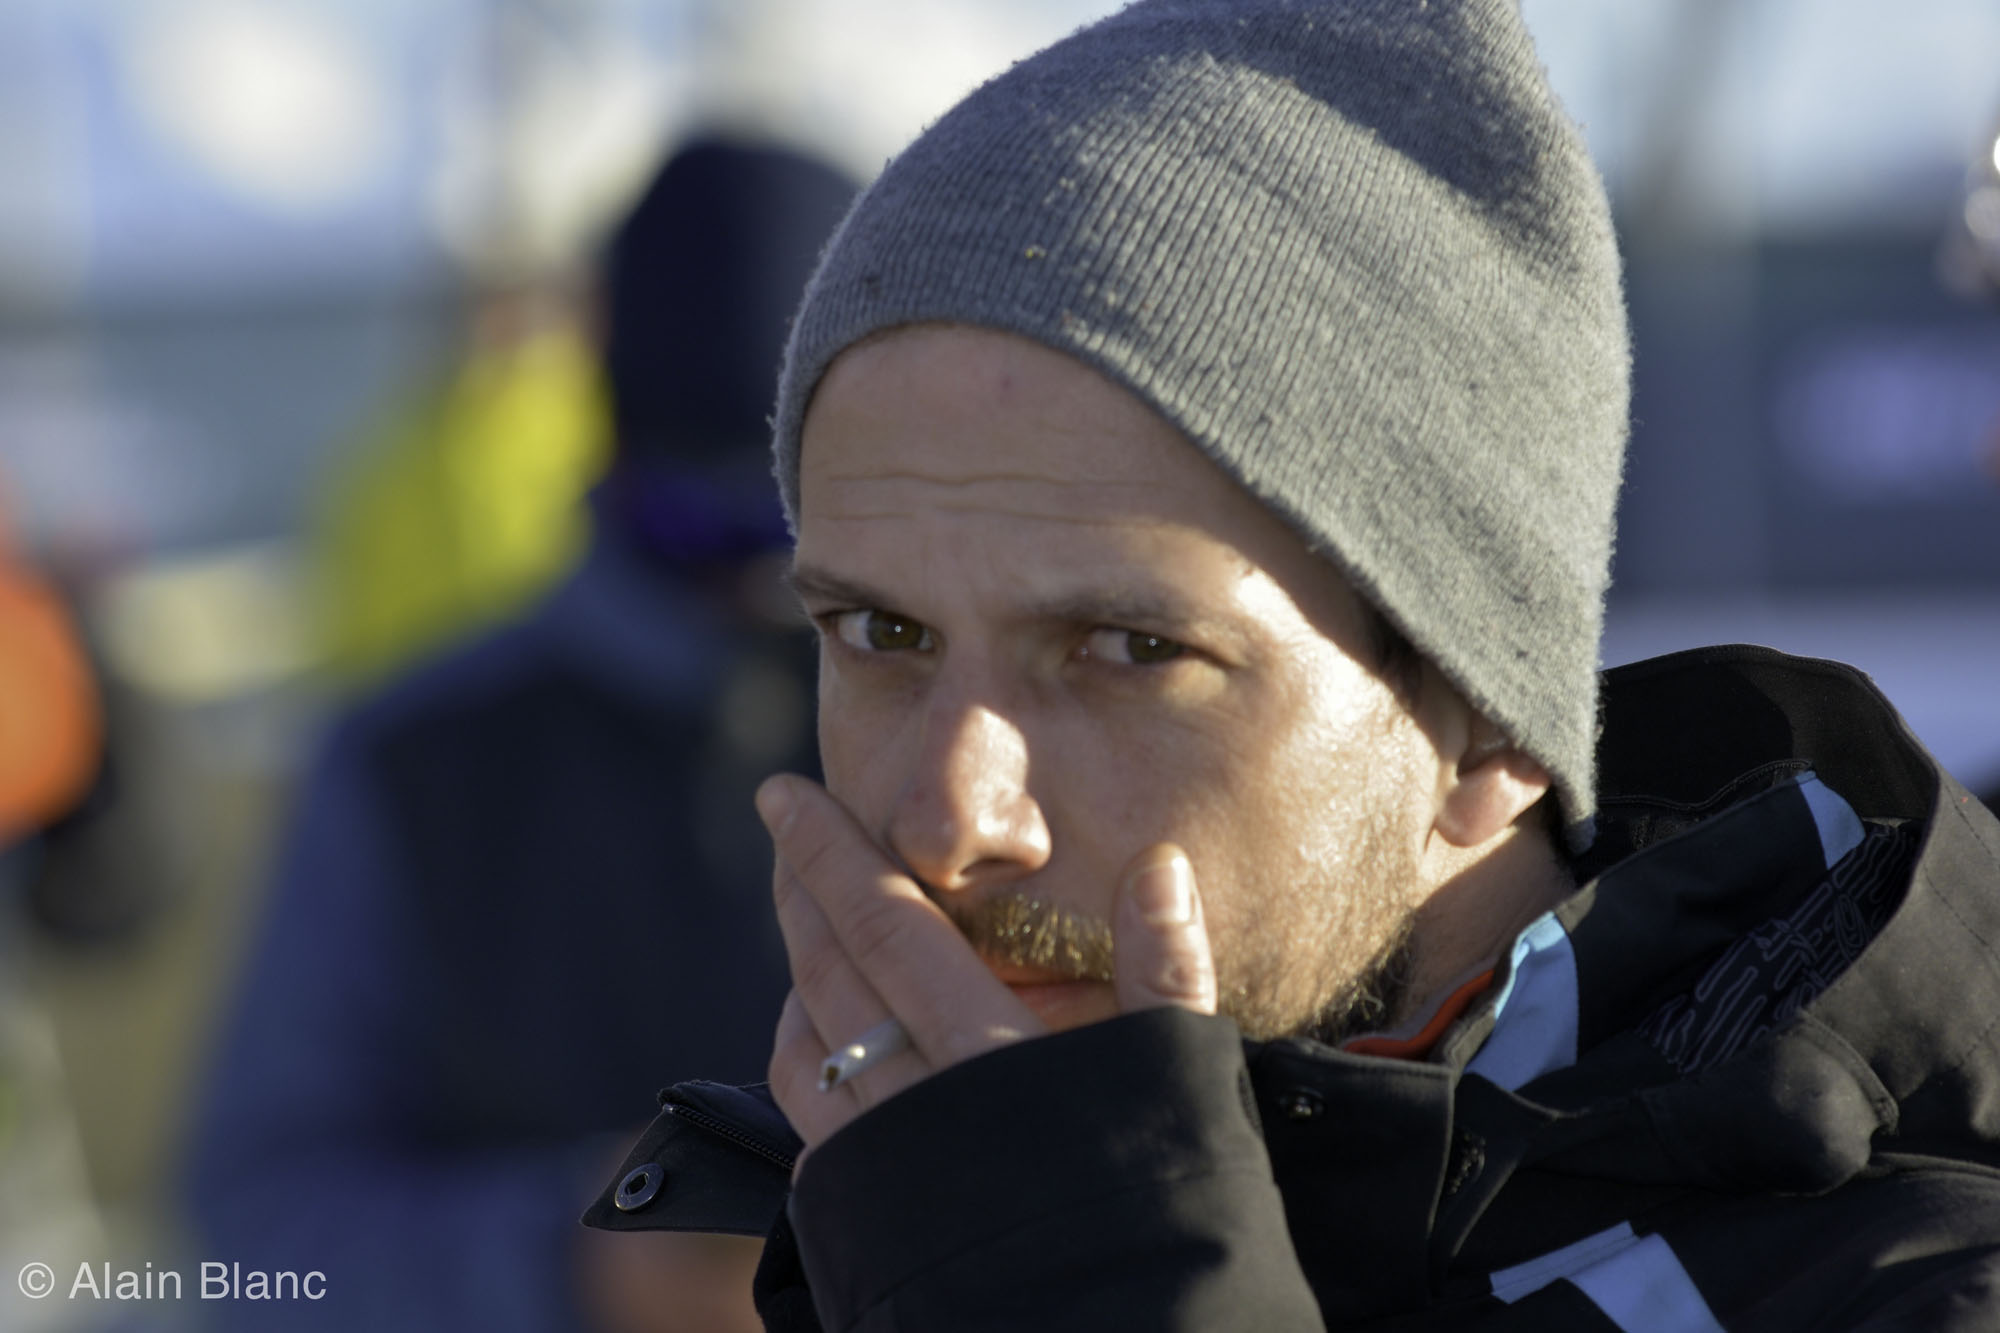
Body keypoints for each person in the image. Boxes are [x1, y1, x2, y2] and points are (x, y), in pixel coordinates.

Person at [583, 4, 2000, 1330]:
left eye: (1129, 650)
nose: (952, 814)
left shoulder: (1912, 1285)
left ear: (1485, 718)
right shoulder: (872, 1219)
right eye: (882, 635)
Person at [184, 138, 855, 1333]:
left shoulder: (976, 747)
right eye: (697, 529)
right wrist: (568, 1254)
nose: (752, 592)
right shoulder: (403, 763)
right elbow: (245, 1240)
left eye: (794, 533)